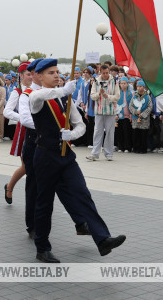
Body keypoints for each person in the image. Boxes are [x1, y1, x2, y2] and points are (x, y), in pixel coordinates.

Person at [27, 59, 126, 263]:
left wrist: (71, 135)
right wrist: (63, 90)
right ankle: (42, 247)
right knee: (44, 204)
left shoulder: (66, 98)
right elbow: (41, 95)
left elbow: (80, 124)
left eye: (57, 72)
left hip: (66, 156)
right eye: (50, 73)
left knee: (83, 194)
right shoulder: (36, 97)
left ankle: (102, 239)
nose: (56, 75)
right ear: (38, 76)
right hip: (45, 157)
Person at [3, 61, 32, 204]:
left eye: (33, 73)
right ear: (21, 76)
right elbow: (7, 111)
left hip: (38, 129)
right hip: (24, 130)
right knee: (26, 166)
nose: (31, 76)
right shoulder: (17, 92)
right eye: (28, 74)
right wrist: (22, 118)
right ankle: (9, 187)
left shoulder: (37, 90)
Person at [87, 64, 120, 162]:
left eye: (107, 72)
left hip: (110, 111)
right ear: (100, 72)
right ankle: (95, 153)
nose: (105, 74)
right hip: (99, 111)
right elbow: (92, 96)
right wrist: (99, 94)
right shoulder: (96, 81)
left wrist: (108, 96)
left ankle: (109, 153)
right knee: (97, 132)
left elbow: (117, 96)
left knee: (110, 132)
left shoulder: (114, 81)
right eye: (104, 73)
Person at [129, 80, 152, 154]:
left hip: (144, 119)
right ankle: (136, 148)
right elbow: (130, 106)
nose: (139, 88)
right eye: (138, 86)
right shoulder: (134, 96)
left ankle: (143, 148)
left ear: (144, 87)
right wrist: (135, 112)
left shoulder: (147, 97)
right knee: (136, 133)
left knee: (143, 134)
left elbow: (150, 107)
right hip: (136, 118)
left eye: (140, 86)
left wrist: (142, 114)